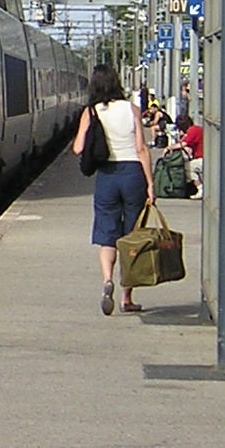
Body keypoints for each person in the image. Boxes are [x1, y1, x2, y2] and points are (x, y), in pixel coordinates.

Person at [74, 63, 154, 316]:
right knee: (132, 236)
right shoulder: (132, 109)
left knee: (107, 233)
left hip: (107, 177)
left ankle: (107, 279)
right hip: (133, 174)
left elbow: (78, 148)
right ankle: (126, 297)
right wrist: (151, 184)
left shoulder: (91, 112)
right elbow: (141, 149)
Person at [180, 119, 205, 196]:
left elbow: (183, 144)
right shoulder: (196, 129)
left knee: (188, 167)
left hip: (202, 158)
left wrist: (169, 148)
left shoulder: (193, 130)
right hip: (203, 158)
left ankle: (200, 188)